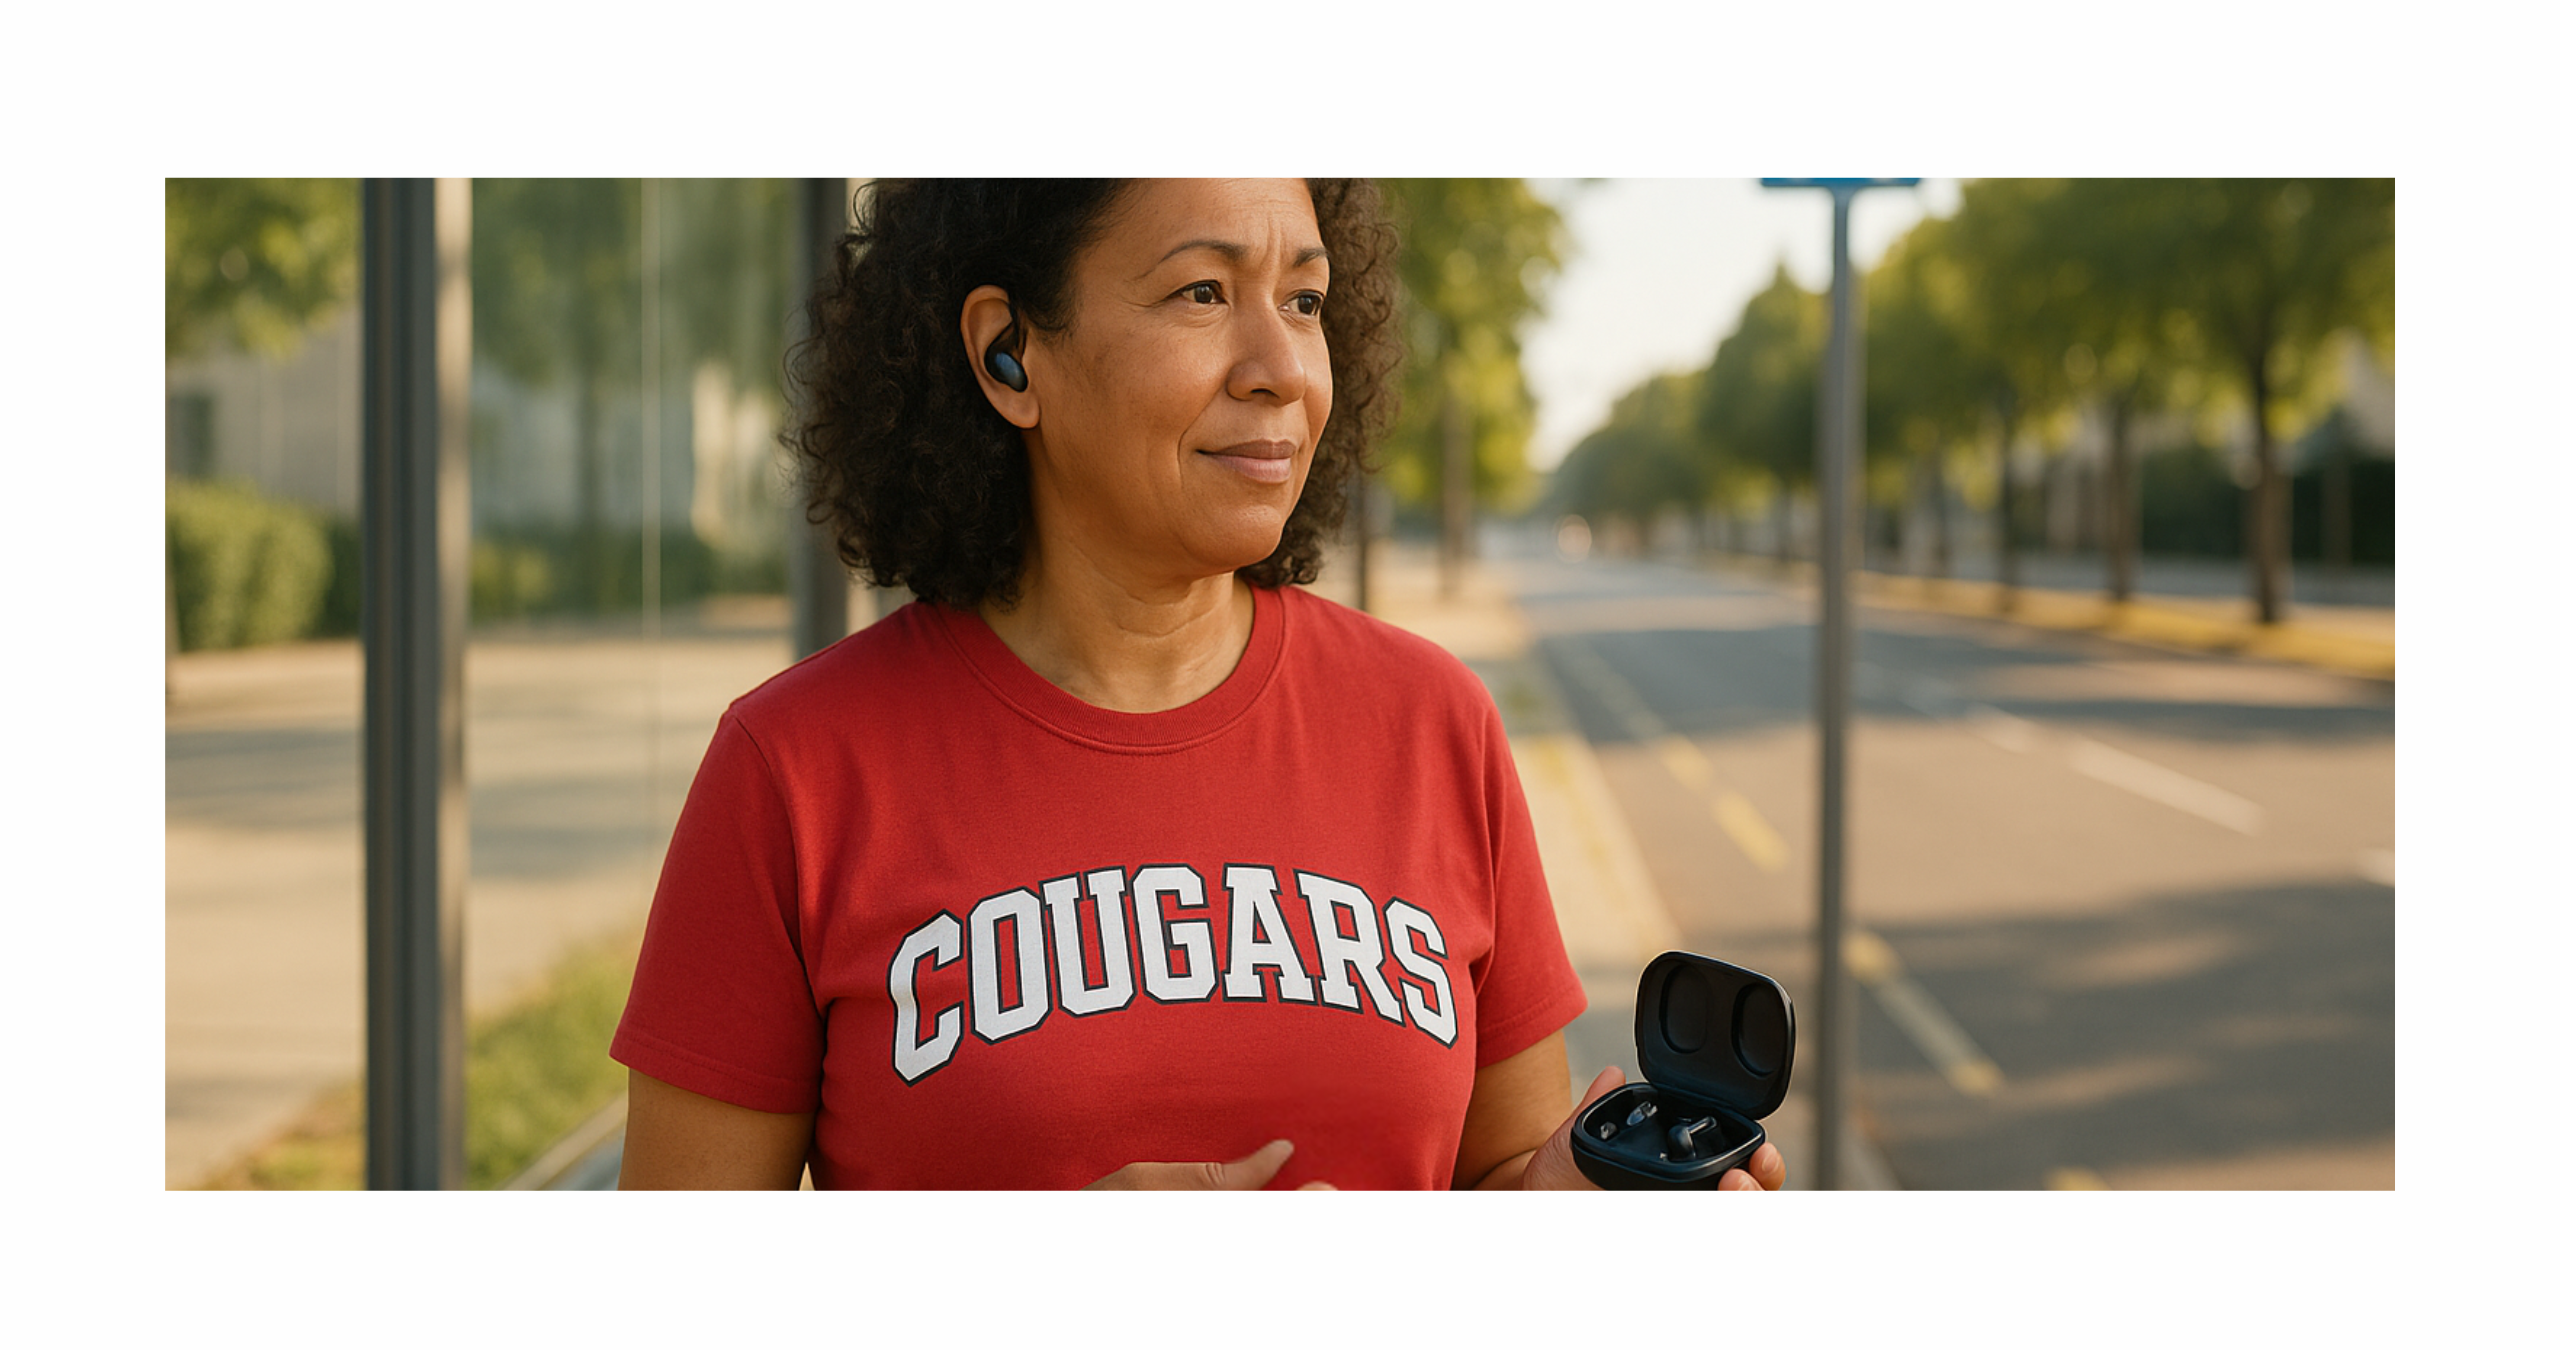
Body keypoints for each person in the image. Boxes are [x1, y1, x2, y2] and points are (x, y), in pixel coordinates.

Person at [610, 178, 1785, 1191]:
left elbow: (1492, 1182)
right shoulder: (794, 770)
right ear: (1008, 354)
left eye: (1306, 300)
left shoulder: (1434, 724)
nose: (1281, 368)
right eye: (1203, 293)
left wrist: (1587, 1204)